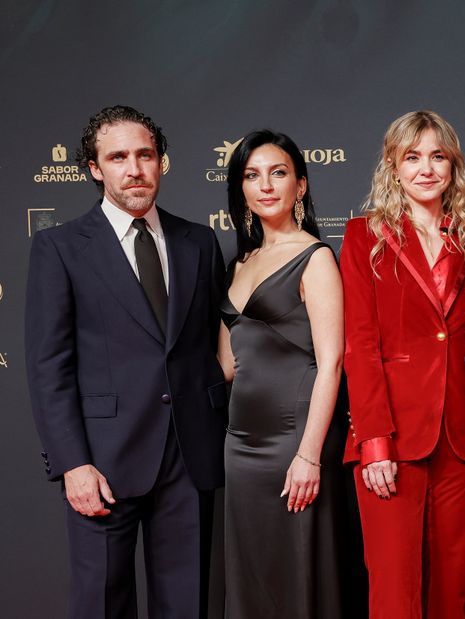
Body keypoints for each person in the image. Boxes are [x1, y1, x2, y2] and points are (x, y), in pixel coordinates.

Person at [25, 106, 227, 618]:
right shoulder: (60, 247)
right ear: (95, 168)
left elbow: (211, 347)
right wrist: (72, 463)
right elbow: (49, 366)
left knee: (187, 603)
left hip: (189, 454)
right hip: (103, 459)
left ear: (161, 162)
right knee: (101, 605)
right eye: (118, 157)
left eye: (145, 155)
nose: (134, 168)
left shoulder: (198, 242)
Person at [341, 110, 465, 619]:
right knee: (394, 594)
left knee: (453, 593)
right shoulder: (363, 237)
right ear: (393, 166)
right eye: (412, 156)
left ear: (453, 167)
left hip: (463, 437)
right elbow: (359, 344)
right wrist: (374, 440)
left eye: (437, 156)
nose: (426, 168)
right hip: (391, 439)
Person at [217, 130, 345, 618]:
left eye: (279, 173)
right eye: (252, 175)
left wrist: (309, 455)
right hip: (239, 444)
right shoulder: (239, 263)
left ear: (301, 185)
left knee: (296, 570)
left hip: (295, 440)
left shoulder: (316, 258)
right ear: (241, 190)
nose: (265, 185)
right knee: (250, 572)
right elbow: (227, 366)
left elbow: (332, 361)